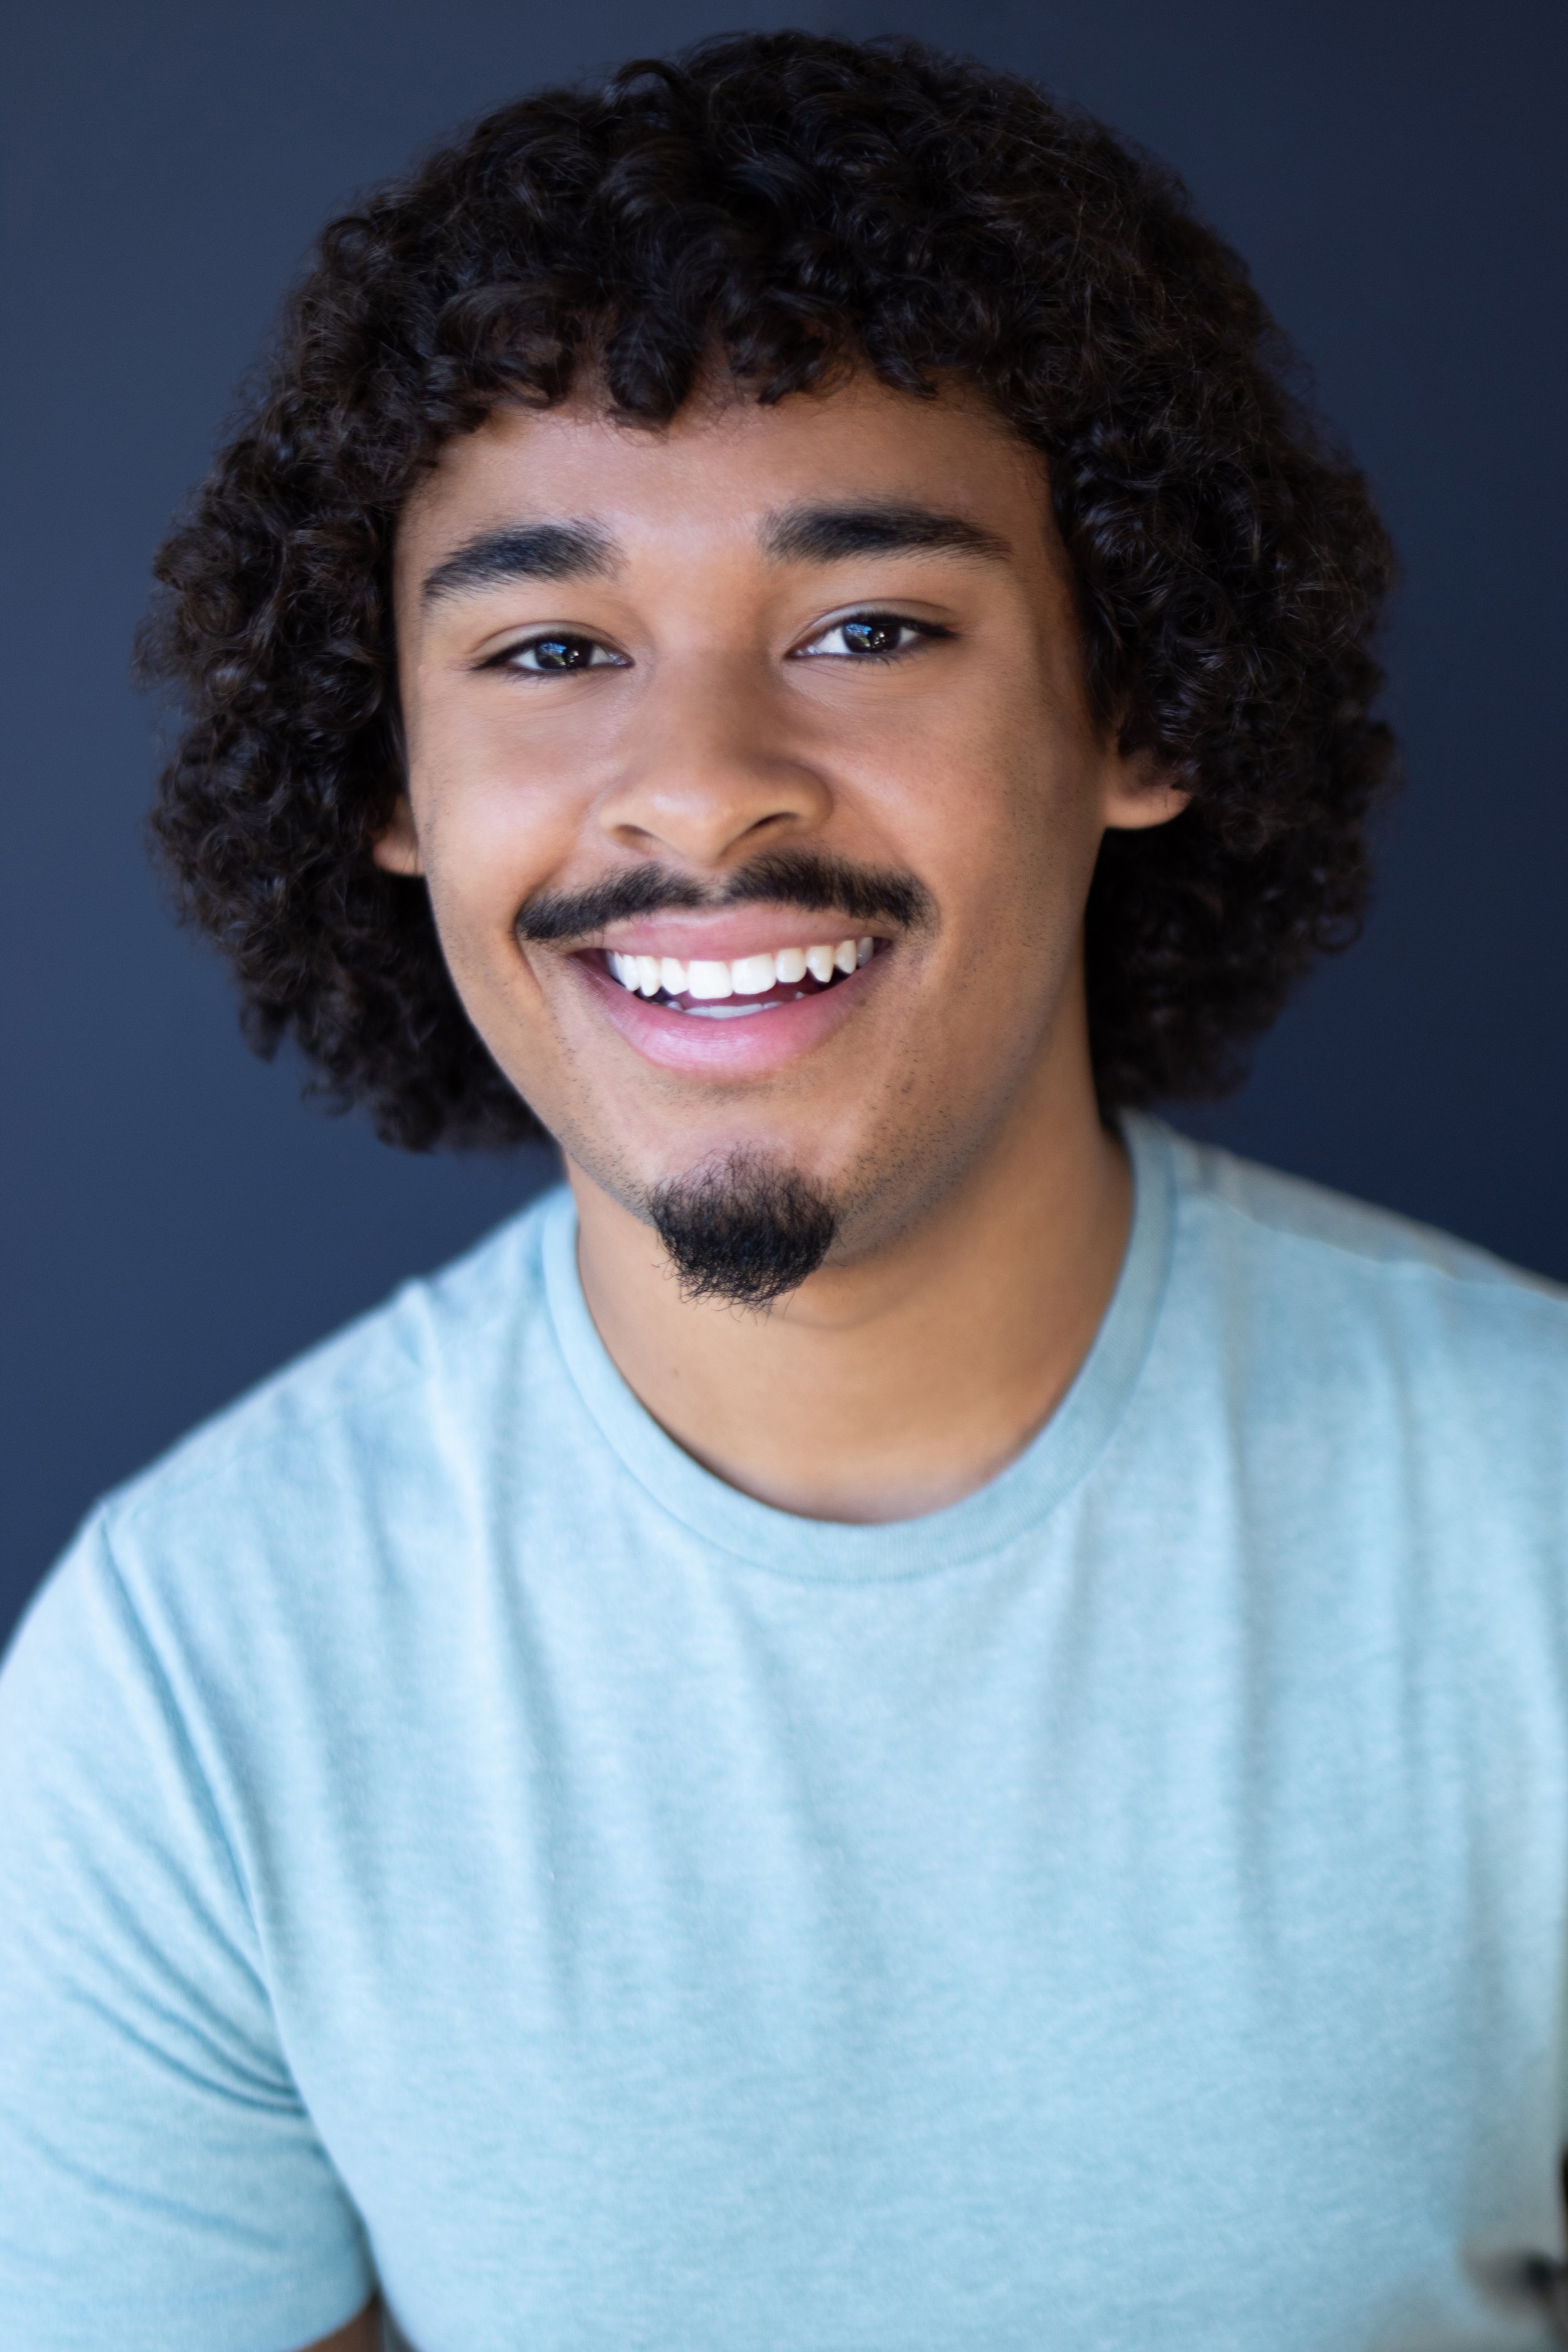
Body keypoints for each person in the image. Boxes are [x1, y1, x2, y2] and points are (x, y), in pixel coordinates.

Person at [1, 27, 1564, 2352]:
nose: (700, 791)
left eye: (866, 629)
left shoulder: (1536, 1526)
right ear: (393, 784)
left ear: (1139, 714)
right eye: (545, 650)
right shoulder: (185, 1679)